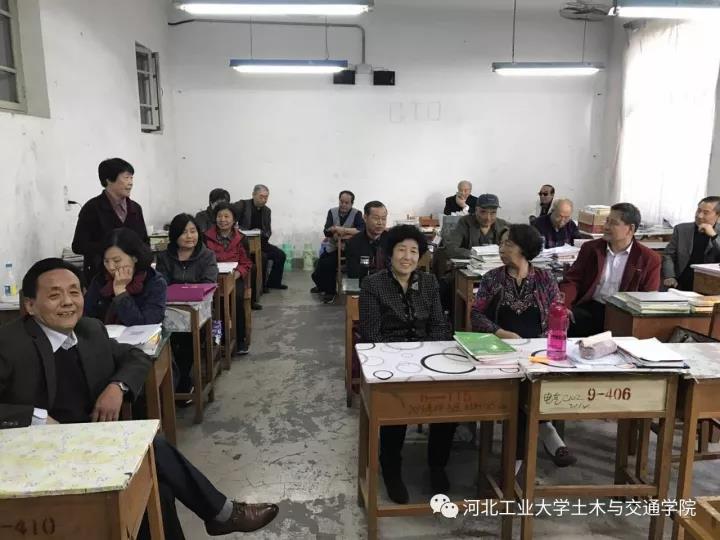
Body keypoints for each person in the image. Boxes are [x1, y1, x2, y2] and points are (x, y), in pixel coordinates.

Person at [0, 259, 279, 539]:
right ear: (30, 305)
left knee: (158, 487)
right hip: (37, 456)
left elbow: (137, 355)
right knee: (153, 448)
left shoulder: (90, 330)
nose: (67, 302)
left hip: (93, 444)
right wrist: (35, 417)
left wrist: (117, 386)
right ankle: (222, 513)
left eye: (74, 292)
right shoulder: (9, 344)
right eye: (54, 295)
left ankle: (220, 514)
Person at [359, 225, 456, 504]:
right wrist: (400, 362)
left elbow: (439, 325)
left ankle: (437, 465)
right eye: (401, 250)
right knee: (396, 405)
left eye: (413, 251)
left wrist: (431, 359)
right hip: (389, 361)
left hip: (427, 358)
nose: (407, 257)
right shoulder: (373, 285)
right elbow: (372, 334)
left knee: (449, 401)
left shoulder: (429, 282)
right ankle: (391, 468)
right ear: (390, 254)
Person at [471, 225, 575, 467]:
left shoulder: (544, 278)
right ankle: (538, 443)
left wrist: (543, 344)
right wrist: (501, 333)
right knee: (518, 388)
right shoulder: (492, 278)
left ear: (524, 248)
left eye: (508, 244)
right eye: (501, 243)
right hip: (499, 350)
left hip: (538, 351)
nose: (501, 248)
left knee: (532, 384)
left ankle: (517, 460)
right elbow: (476, 314)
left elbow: (557, 315)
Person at [561, 203, 661, 337]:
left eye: (613, 223)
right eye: (607, 221)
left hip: (625, 314)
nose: (606, 227)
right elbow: (572, 280)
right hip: (590, 308)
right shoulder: (591, 248)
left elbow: (648, 298)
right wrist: (565, 305)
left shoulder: (649, 259)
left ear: (630, 229)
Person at [156, 214, 218, 395]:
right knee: (165, 336)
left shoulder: (207, 256)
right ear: (175, 235)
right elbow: (161, 285)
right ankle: (170, 380)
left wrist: (181, 291)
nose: (190, 236)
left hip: (198, 311)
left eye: (193, 231)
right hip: (169, 310)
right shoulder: (164, 257)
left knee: (187, 337)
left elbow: (208, 284)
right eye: (184, 232)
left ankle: (182, 379)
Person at [72, 158, 149, 283]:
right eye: (126, 178)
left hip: (133, 276)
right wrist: (111, 249)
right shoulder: (92, 208)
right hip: (101, 277)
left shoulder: (135, 208)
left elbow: (144, 242)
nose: (130, 183)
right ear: (108, 180)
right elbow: (78, 245)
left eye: (131, 178)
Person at [84, 228, 167, 326]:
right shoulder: (100, 280)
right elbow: (86, 316)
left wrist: (120, 291)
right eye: (106, 261)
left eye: (117, 261)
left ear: (134, 258)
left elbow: (146, 324)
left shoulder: (154, 282)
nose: (111, 267)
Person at [204, 202, 252, 354]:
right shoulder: (206, 237)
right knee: (214, 304)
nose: (223, 220)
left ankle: (240, 340)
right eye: (219, 216)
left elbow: (246, 263)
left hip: (234, 278)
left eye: (226, 216)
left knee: (236, 299)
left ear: (234, 219)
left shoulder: (241, 238)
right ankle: (218, 339)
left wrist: (236, 275)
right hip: (212, 279)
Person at [311, 190, 365, 303]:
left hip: (349, 249)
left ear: (352, 203)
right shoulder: (332, 212)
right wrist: (335, 233)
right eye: (341, 202)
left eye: (347, 203)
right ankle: (323, 287)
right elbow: (327, 231)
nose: (343, 205)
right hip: (334, 247)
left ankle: (331, 292)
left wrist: (341, 230)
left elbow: (361, 230)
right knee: (319, 266)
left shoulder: (357, 214)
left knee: (333, 264)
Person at [234, 185, 287, 292]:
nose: (264, 200)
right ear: (253, 195)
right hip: (244, 243)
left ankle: (274, 283)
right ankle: (261, 287)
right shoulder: (243, 205)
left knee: (280, 255)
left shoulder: (267, 211)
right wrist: (248, 231)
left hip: (261, 242)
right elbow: (234, 223)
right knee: (263, 257)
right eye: (261, 197)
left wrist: (262, 233)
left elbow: (268, 231)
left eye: (266, 197)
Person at [662, 196, 720, 291]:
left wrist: (714, 235)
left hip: (711, 285)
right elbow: (668, 255)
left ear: (718, 216)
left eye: (706, 213)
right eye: (698, 210)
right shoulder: (681, 229)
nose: (699, 215)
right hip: (680, 284)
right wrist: (670, 276)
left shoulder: (717, 234)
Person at [444, 193, 509, 259]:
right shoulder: (464, 222)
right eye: (483, 212)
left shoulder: (503, 225)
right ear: (476, 210)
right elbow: (451, 249)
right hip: (470, 264)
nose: (488, 218)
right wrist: (476, 255)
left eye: (493, 213)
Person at [345, 201, 388, 281]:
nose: (380, 223)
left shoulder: (392, 240)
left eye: (383, 218)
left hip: (389, 284)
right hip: (365, 284)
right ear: (365, 218)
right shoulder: (353, 243)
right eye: (376, 218)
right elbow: (353, 273)